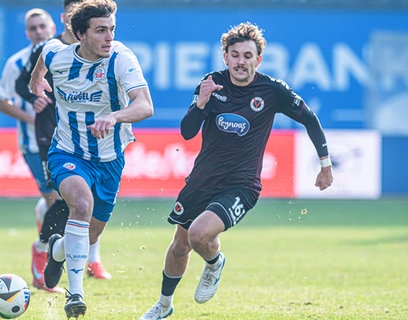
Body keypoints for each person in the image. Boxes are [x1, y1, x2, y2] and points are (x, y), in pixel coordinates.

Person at [140, 22, 334, 320]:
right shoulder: (211, 83)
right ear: (225, 57)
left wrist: (325, 165)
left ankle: (215, 263)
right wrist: (201, 103)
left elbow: (310, 119)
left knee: (198, 235)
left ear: (259, 59)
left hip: (241, 186)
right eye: (234, 55)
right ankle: (163, 306)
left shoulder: (272, 90)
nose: (240, 61)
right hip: (201, 180)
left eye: (247, 55)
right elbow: (187, 132)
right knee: (179, 246)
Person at [29, 0, 154, 317]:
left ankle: (58, 249)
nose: (109, 36)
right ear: (80, 34)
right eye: (101, 30)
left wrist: (115, 117)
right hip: (67, 153)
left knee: (90, 235)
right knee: (80, 206)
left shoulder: (121, 59)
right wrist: (36, 86)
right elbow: (39, 68)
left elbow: (144, 106)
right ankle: (75, 295)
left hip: (110, 160)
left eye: (112, 29)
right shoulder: (56, 54)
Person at [15, 0, 112, 283]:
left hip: (91, 138)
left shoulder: (106, 51)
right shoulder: (48, 48)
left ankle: (91, 259)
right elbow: (23, 83)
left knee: (88, 203)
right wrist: (35, 96)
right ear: (68, 17)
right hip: (54, 136)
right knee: (64, 199)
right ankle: (43, 248)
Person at [0, 8, 63, 293]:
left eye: (42, 26)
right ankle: (43, 261)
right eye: (32, 28)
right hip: (34, 143)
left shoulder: (64, 54)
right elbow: (1, 101)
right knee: (57, 198)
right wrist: (32, 116)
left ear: (52, 27)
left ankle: (55, 248)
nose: (38, 31)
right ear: (27, 32)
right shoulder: (17, 63)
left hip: (64, 141)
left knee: (64, 200)